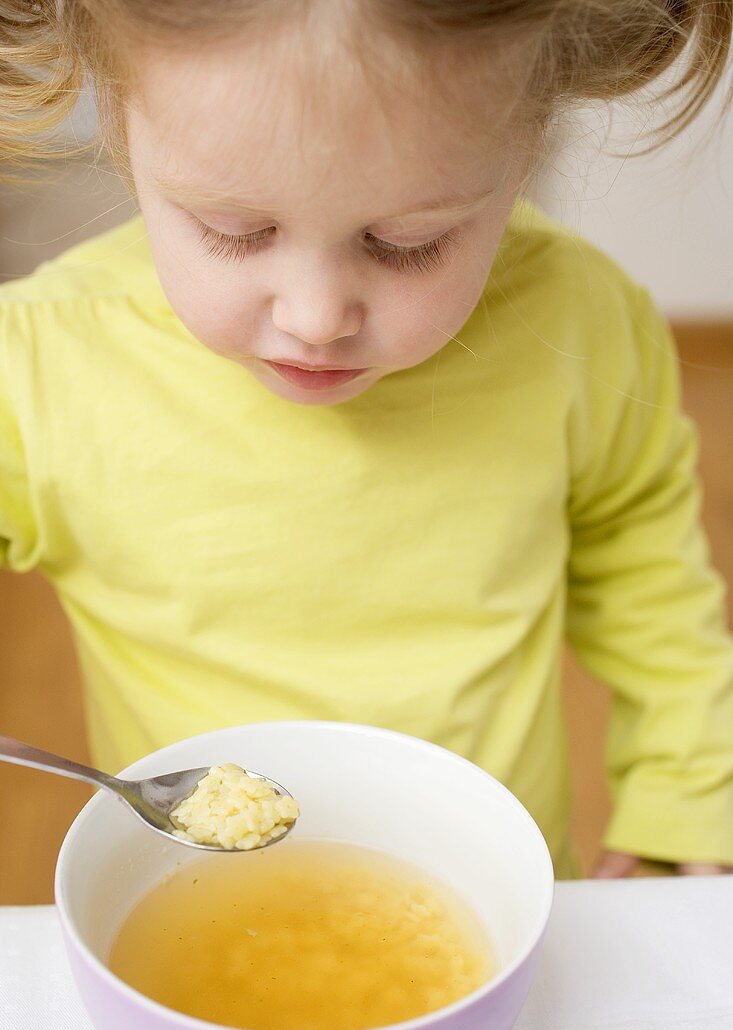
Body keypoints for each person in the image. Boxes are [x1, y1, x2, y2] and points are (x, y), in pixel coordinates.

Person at [0, 0, 731, 879]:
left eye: (405, 243)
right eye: (237, 231)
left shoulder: (581, 323)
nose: (315, 320)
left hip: (488, 898)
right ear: (121, 124)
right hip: (193, 904)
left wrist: (691, 791)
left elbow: (645, 565)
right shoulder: (41, 363)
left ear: (527, 144)